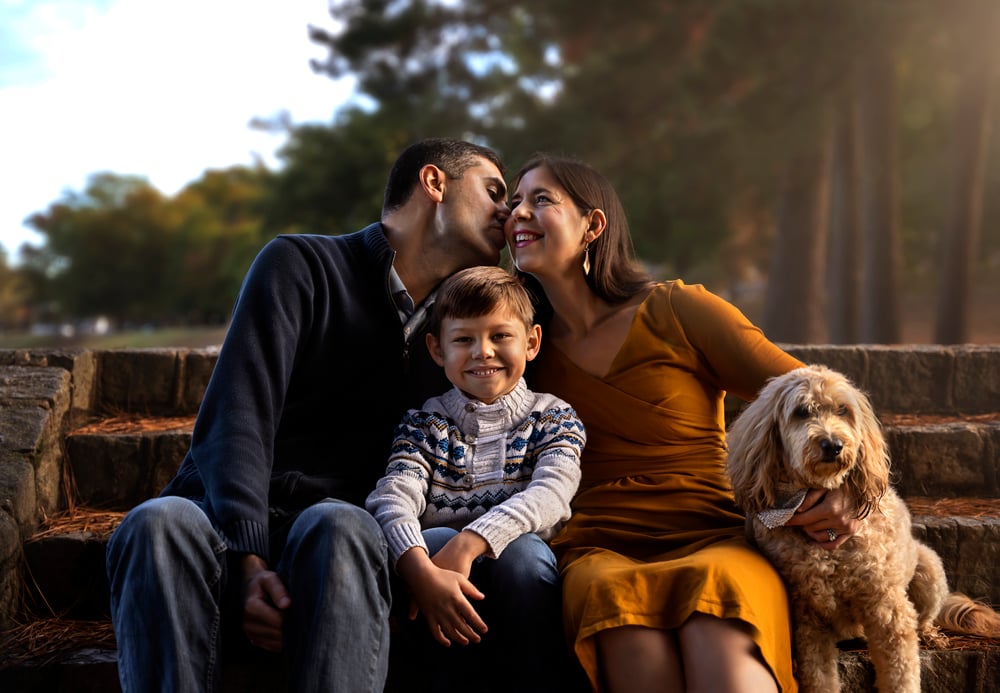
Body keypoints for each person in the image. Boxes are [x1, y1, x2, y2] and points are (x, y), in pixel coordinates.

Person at [105, 138, 516, 693]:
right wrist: (249, 561)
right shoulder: (300, 265)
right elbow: (239, 416)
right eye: (494, 191)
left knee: (342, 523)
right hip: (221, 536)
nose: (507, 212)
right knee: (155, 522)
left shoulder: (463, 336)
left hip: (340, 556)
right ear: (434, 183)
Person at [505, 154, 864, 693]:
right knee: (622, 619)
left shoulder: (678, 309)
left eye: (540, 200)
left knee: (718, 623)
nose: (518, 214)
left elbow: (818, 394)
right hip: (598, 546)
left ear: (593, 226)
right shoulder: (522, 351)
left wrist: (849, 490)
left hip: (712, 529)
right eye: (513, 203)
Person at [365, 265, 586, 692]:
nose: (483, 352)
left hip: (519, 577)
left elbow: (552, 494)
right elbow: (395, 495)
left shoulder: (552, 416)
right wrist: (419, 569)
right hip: (438, 582)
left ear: (532, 342)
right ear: (436, 349)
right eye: (464, 339)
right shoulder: (426, 423)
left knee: (524, 556)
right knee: (424, 546)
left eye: (500, 336)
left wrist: (472, 541)